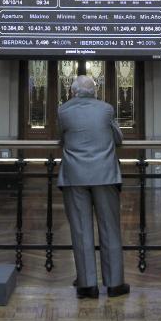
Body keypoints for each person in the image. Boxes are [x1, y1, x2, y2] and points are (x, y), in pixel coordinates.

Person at [57, 75, 130, 300]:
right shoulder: (106, 109)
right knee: (110, 228)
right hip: (105, 174)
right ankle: (115, 283)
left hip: (75, 175)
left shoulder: (63, 111)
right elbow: (118, 139)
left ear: (72, 91)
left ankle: (88, 285)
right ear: (95, 91)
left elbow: (61, 138)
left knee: (81, 229)